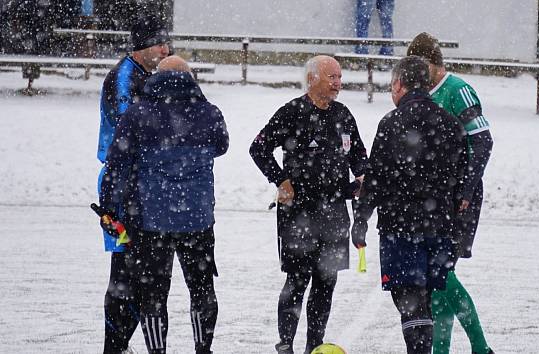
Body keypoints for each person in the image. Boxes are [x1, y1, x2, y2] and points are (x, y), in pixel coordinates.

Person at [99, 55, 229, 354]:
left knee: (154, 294)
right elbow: (221, 146)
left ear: (156, 76)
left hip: (150, 218)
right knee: (202, 290)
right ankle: (202, 347)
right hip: (197, 218)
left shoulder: (137, 113)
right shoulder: (209, 112)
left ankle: (157, 350)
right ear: (191, 78)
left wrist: (108, 206)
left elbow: (117, 163)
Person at [249, 55, 368, 354]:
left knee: (326, 282)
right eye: (332, 78)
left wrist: (363, 177)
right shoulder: (292, 112)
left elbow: (358, 155)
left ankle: (314, 345)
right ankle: (285, 344)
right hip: (298, 213)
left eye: (340, 77)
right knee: (297, 280)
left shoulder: (343, 115)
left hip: (335, 213)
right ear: (312, 79)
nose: (338, 83)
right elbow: (258, 147)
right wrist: (280, 180)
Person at [351, 56, 467, 354]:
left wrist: (361, 218)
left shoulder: (391, 122)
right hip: (439, 226)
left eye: (393, 85)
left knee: (409, 300)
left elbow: (375, 178)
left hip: (400, 227)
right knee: (426, 298)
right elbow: (463, 182)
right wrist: (458, 228)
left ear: (400, 84)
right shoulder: (451, 124)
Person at [407, 32, 494, 354]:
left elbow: (483, 142)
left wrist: (466, 189)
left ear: (431, 64)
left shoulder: (459, 91)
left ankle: (478, 347)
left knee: (441, 275)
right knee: (438, 279)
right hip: (436, 199)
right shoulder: (423, 94)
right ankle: (458, 349)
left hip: (459, 196)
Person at [97, 13, 170, 354]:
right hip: (120, 185)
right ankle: (114, 347)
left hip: (142, 186)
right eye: (159, 43)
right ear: (142, 47)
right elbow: (131, 130)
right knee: (124, 275)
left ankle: (122, 344)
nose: (166, 48)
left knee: (143, 274)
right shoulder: (124, 77)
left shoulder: (145, 74)